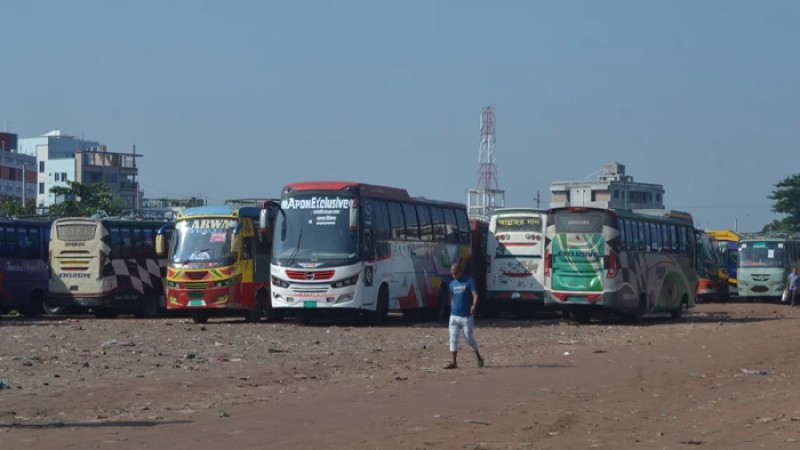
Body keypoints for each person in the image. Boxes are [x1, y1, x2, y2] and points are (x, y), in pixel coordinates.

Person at [444, 263, 484, 369]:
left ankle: (478, 356)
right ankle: (454, 362)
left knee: (469, 339)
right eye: (452, 274)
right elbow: (452, 298)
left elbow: (475, 295)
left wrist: (474, 305)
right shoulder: (452, 284)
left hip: (466, 316)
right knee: (453, 338)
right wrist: (452, 309)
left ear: (461, 272)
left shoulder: (469, 281)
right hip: (454, 316)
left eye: (456, 274)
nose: (454, 276)